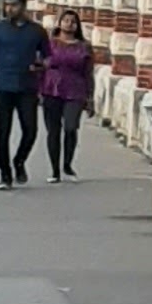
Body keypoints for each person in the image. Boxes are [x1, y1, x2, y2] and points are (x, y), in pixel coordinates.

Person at [0, 0, 48, 190]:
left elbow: (48, 57)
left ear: (23, 6)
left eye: (14, 5)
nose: (9, 9)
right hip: (2, 86)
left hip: (27, 86)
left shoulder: (37, 31)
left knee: (30, 130)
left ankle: (19, 160)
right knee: (3, 131)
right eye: (6, 5)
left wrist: (41, 66)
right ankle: (5, 174)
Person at [39, 11, 96, 181]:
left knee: (71, 127)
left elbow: (88, 73)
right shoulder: (50, 44)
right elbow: (40, 66)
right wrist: (37, 89)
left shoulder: (84, 47)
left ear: (77, 25)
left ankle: (67, 164)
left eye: (73, 21)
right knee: (53, 130)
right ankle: (55, 170)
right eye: (66, 20)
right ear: (59, 23)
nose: (69, 24)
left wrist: (90, 98)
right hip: (51, 88)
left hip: (75, 90)